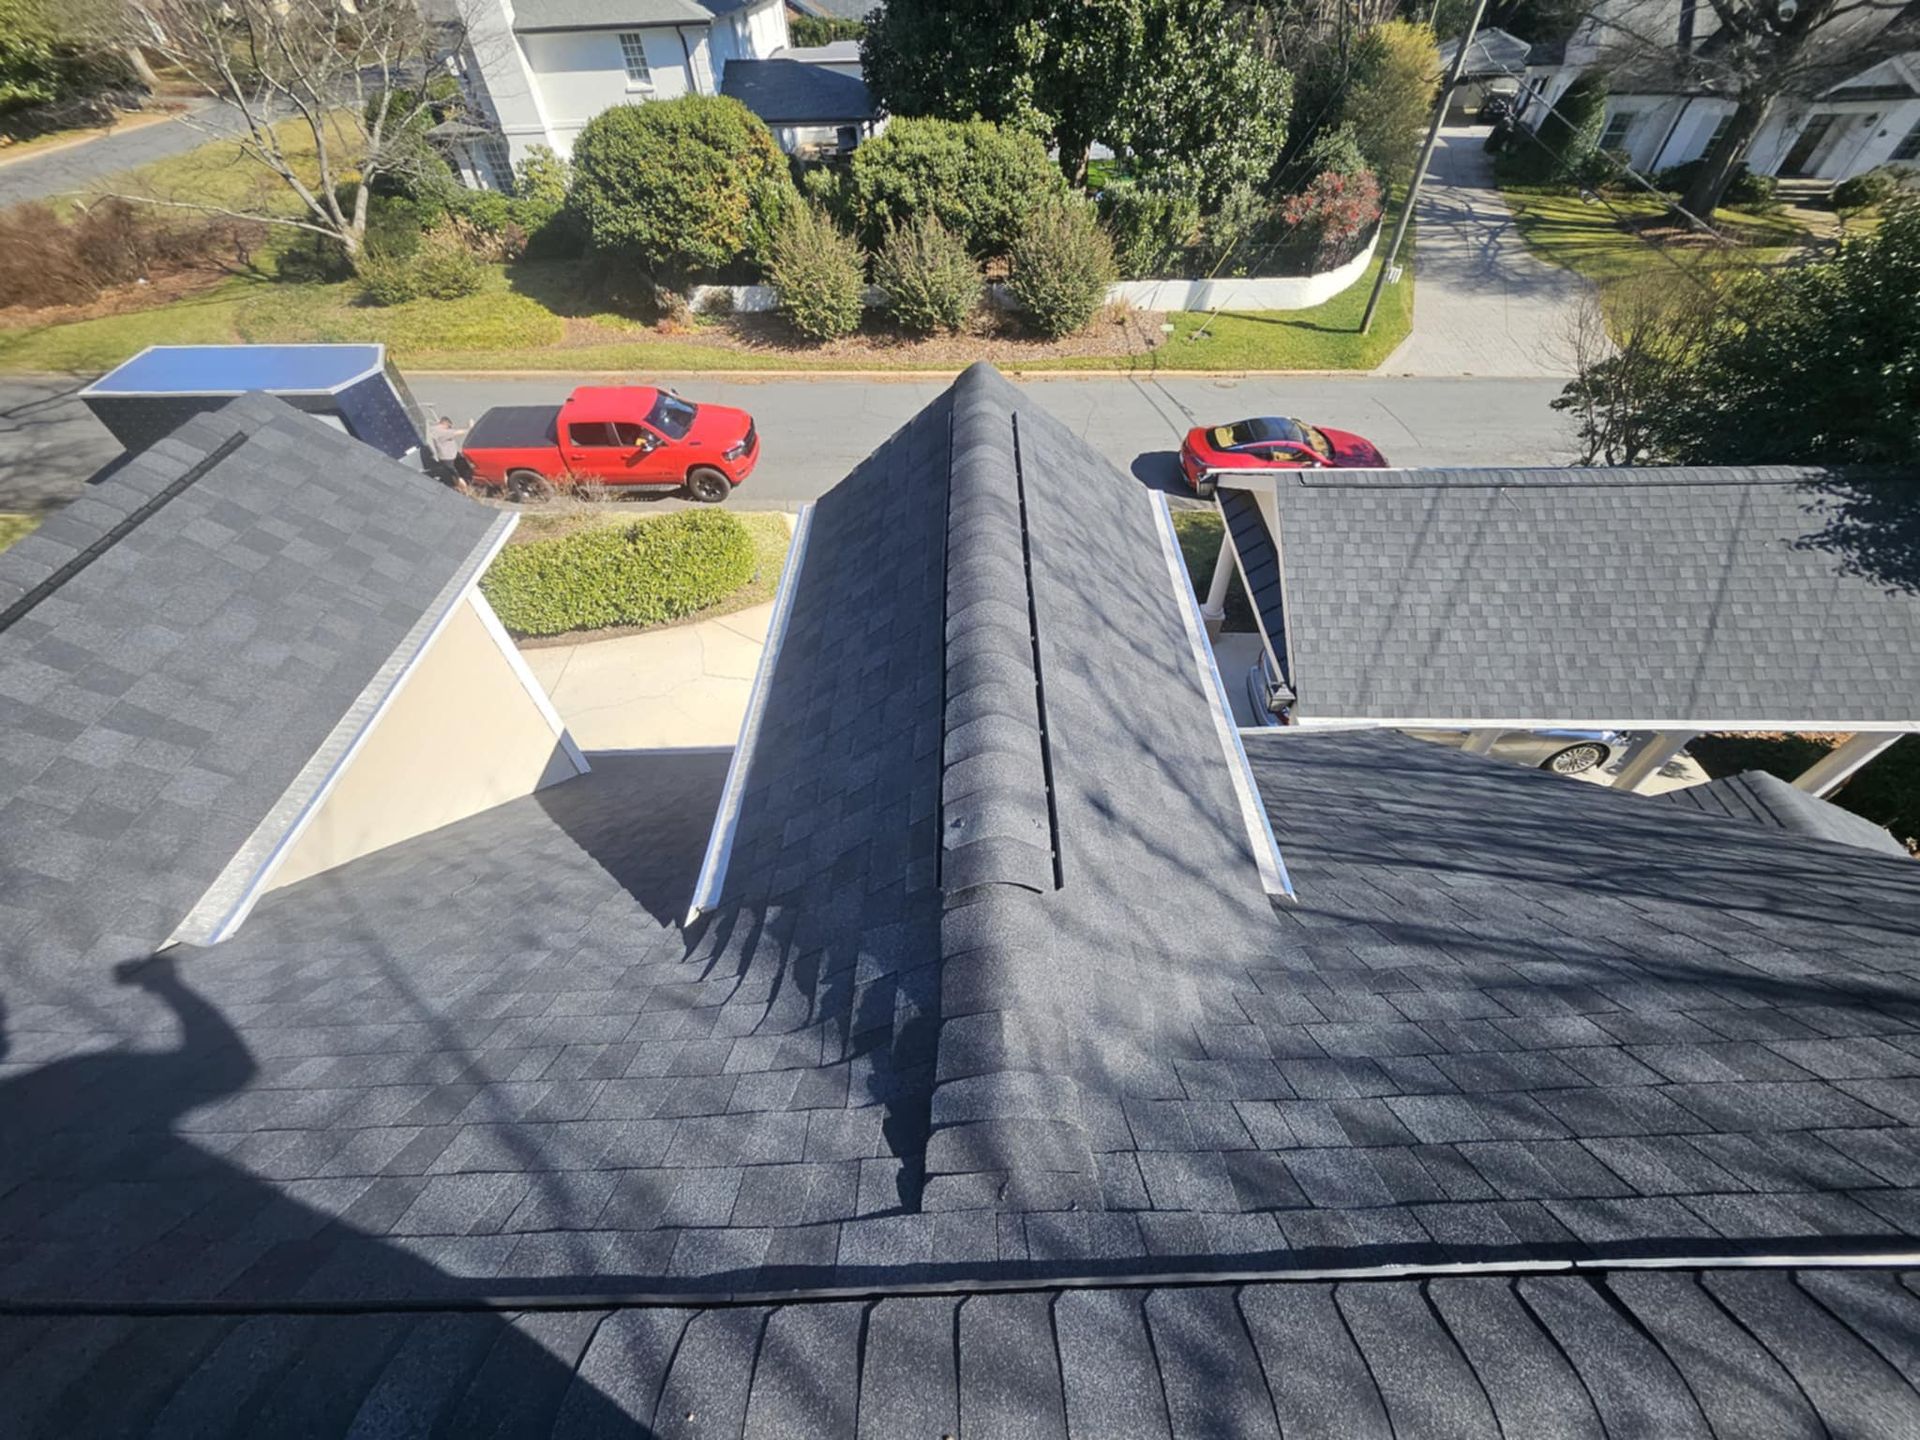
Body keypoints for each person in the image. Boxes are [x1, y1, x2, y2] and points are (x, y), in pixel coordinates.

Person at [428, 415, 472, 488]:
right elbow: (457, 432)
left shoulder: (434, 429)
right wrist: (469, 428)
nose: (450, 428)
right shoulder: (442, 432)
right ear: (446, 424)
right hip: (448, 457)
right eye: (449, 427)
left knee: (454, 472)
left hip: (447, 456)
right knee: (456, 475)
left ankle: (457, 483)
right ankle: (464, 489)